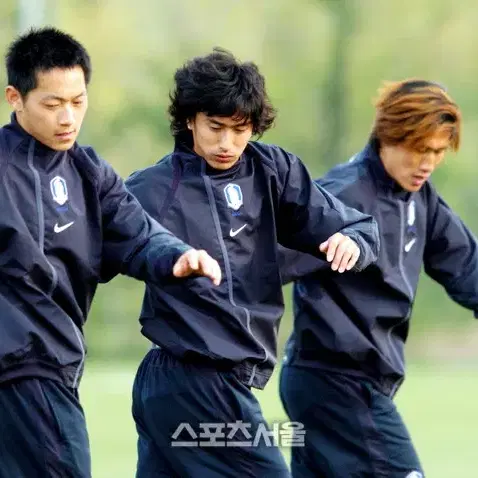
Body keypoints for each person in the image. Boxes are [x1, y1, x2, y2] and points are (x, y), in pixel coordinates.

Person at [125, 47, 380, 478]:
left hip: (199, 386)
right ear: (189, 120)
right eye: (215, 127)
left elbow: (356, 225)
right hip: (194, 379)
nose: (227, 143)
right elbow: (83, 248)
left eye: (240, 129)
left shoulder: (273, 170)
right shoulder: (152, 189)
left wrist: (353, 242)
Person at [0, 27, 221, 478]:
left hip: (53, 363)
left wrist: (176, 255)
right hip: (28, 364)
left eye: (77, 102)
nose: (68, 117)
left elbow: (138, 233)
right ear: (14, 98)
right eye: (52, 103)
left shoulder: (89, 171)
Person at [279, 79, 478, 478]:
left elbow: (466, 266)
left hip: (343, 384)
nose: (428, 163)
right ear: (390, 136)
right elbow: (267, 260)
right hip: (336, 382)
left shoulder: (419, 198)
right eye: (420, 150)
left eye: (438, 152)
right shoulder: (343, 194)